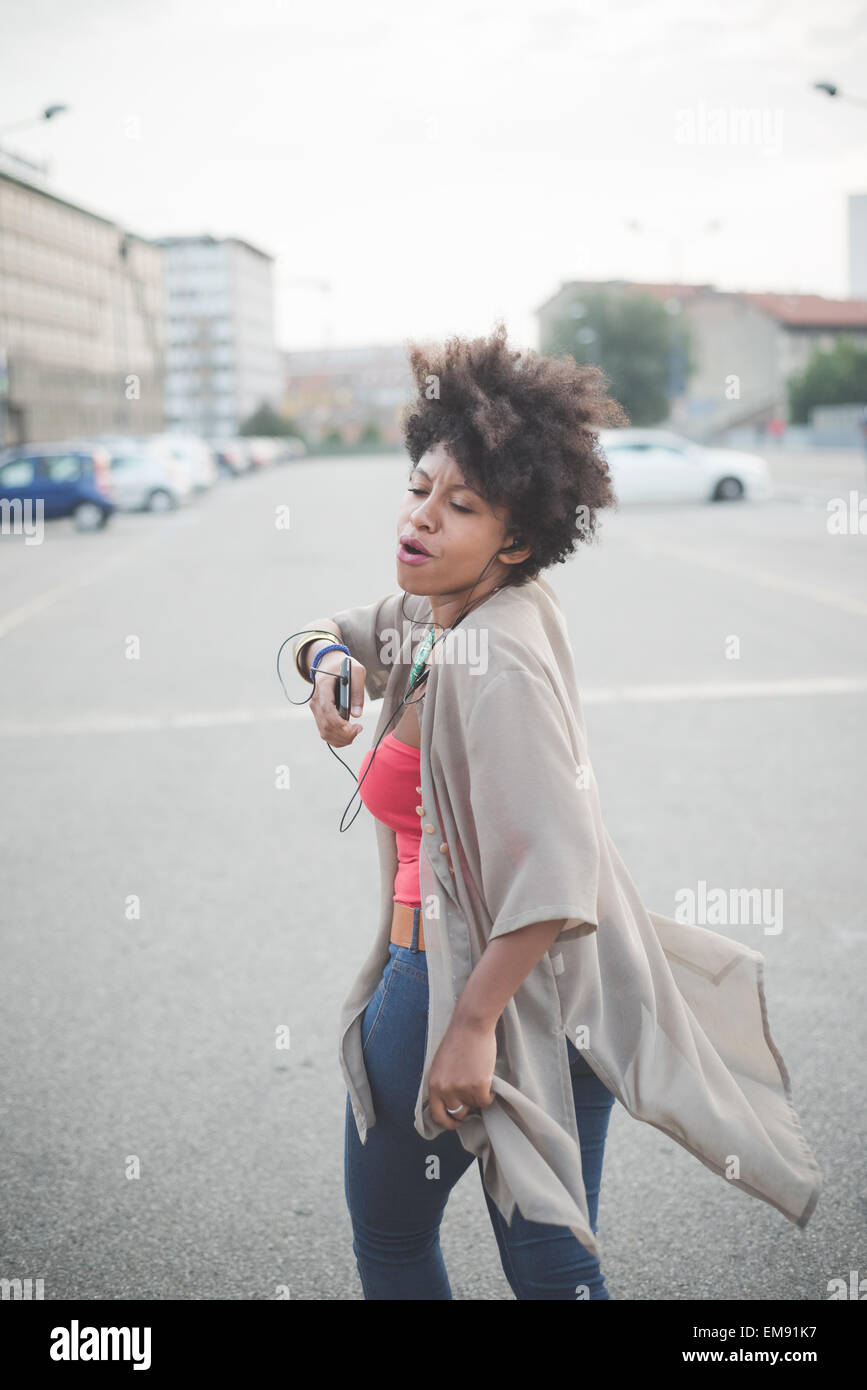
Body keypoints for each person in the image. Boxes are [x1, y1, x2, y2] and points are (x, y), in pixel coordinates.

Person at [294, 323, 822, 1301]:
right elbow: (330, 629)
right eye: (419, 490)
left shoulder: (492, 659)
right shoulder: (446, 608)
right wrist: (326, 663)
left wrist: (468, 1027)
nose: (422, 519)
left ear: (519, 536)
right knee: (548, 1253)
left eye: (462, 505)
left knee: (394, 1240)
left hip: (458, 984)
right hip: (566, 999)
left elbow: (557, 867)